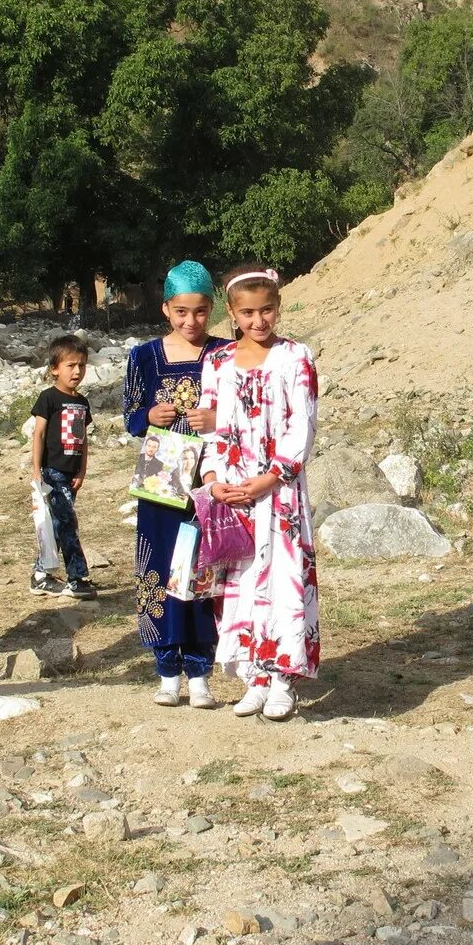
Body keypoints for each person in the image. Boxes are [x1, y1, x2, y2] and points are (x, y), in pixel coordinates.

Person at [199, 265, 319, 721]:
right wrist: (213, 479)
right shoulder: (218, 362)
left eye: (266, 310)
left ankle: (284, 677)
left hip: (278, 491)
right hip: (232, 491)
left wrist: (272, 477)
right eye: (247, 312)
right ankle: (253, 675)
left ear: (278, 308)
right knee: (241, 581)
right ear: (231, 312)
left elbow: (301, 426)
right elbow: (211, 424)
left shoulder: (295, 357)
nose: (258, 321)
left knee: (284, 578)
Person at [122, 260, 228, 708]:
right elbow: (129, 416)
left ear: (212, 309)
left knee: (203, 570)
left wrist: (217, 419)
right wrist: (148, 416)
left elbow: (242, 411)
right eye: (181, 312)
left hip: (210, 479)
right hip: (161, 481)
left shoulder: (226, 354)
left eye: (201, 312)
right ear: (166, 308)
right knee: (160, 569)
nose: (191, 321)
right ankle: (167, 669)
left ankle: (201, 670)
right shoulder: (143, 357)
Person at [30, 335, 96, 599]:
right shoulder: (48, 398)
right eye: (70, 365)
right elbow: (39, 435)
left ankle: (40, 575)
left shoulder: (82, 402)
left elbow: (83, 438)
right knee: (67, 522)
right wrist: (36, 469)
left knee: (59, 523)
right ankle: (77, 577)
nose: (77, 371)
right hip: (52, 472)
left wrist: (82, 470)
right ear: (55, 368)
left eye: (81, 365)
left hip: (71, 474)